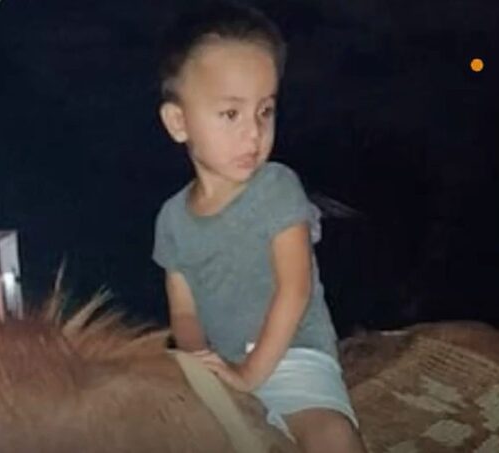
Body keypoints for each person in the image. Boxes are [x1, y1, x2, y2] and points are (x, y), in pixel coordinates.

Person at [152, 2, 367, 452]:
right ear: (178, 122)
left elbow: (294, 290)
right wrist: (201, 368)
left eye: (265, 111)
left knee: (332, 437)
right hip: (223, 372)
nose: (254, 133)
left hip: (294, 358)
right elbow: (185, 314)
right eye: (231, 114)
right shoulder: (171, 219)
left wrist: (249, 375)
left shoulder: (277, 187)